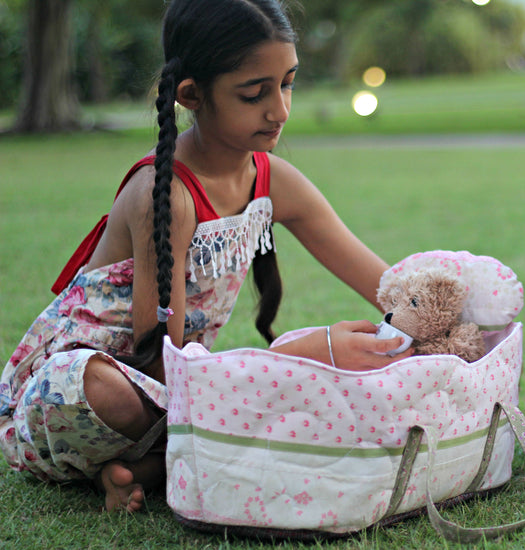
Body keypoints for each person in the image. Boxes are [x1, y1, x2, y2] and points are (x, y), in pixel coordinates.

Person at [0, 0, 412, 513]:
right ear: (191, 95)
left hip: (182, 395)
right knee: (101, 388)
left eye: (287, 83)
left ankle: (148, 468)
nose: (280, 109)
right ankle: (167, 459)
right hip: (88, 391)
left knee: (278, 393)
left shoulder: (273, 180)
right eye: (254, 93)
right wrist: (310, 353)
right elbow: (165, 366)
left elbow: (389, 285)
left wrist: (440, 318)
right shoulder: (165, 195)